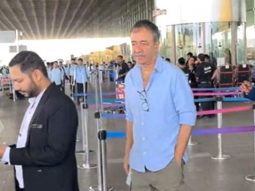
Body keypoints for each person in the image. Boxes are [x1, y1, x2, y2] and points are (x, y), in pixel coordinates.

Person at [124, 20, 196, 191]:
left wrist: (177, 159)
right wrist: (127, 154)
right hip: (138, 165)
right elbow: (130, 118)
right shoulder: (130, 78)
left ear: (156, 45)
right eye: (134, 43)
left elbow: (188, 116)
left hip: (167, 164)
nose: (137, 49)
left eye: (143, 43)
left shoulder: (173, 76)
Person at [0, 51, 79, 191]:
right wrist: (7, 150)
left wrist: (9, 154)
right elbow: (33, 143)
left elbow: (55, 153)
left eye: (19, 80)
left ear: (36, 75)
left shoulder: (60, 104)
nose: (16, 87)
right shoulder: (36, 102)